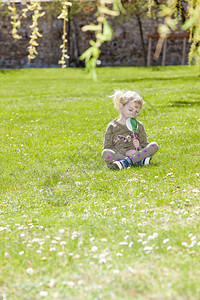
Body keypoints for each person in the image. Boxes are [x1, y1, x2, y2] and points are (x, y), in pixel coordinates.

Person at [102, 90, 159, 170]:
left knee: (154, 145)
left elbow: (145, 145)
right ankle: (138, 162)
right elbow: (107, 147)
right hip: (120, 155)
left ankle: (124, 163)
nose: (133, 114)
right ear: (120, 106)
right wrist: (125, 152)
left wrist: (139, 147)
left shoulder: (139, 126)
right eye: (130, 110)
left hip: (137, 154)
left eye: (137, 112)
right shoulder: (112, 126)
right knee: (106, 153)